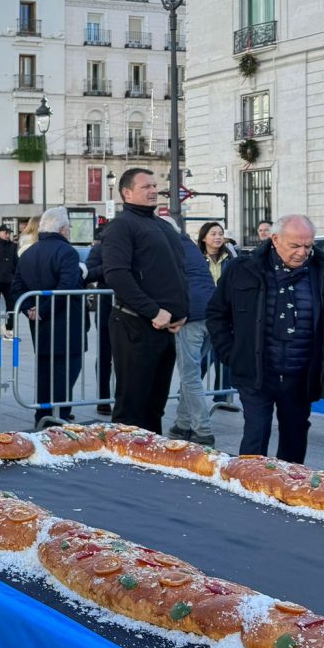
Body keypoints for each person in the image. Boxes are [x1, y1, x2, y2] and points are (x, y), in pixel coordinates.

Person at [207, 215, 324, 464]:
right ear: (275, 239)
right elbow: (217, 314)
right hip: (256, 371)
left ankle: (290, 491)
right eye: (295, 246)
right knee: (255, 433)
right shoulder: (243, 269)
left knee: (294, 438)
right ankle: (247, 485)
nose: (303, 253)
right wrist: (231, 354)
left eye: (308, 246)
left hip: (301, 374)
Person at [99, 168, 189, 433]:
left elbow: (179, 270)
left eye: (154, 186)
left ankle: (152, 462)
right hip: (134, 326)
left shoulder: (162, 226)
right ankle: (124, 469)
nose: (153, 191)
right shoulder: (121, 226)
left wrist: (181, 312)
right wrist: (153, 311)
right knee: (132, 407)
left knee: (155, 405)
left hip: (165, 329)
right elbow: (116, 275)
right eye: (146, 187)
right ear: (127, 193)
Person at [11, 207, 86, 422]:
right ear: (63, 229)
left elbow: (16, 288)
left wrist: (30, 310)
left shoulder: (28, 252)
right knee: (66, 373)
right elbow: (67, 286)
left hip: (40, 326)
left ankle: (42, 418)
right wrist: (42, 311)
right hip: (66, 324)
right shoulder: (67, 252)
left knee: (45, 373)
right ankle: (58, 420)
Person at [169, 226, 219, 447]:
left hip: (191, 316)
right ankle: (182, 423)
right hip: (211, 314)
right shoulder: (189, 245)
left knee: (190, 376)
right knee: (193, 373)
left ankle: (203, 431)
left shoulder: (169, 246)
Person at [197, 221, 237, 404]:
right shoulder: (197, 258)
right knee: (202, 356)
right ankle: (190, 393)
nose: (218, 237)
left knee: (224, 353)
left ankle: (222, 396)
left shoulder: (230, 258)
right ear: (204, 237)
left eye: (220, 234)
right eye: (213, 234)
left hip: (224, 313)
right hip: (202, 314)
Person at [84, 224, 114, 416]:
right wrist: (112, 268)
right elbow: (89, 271)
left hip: (133, 306)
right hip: (107, 305)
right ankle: (104, 397)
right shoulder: (100, 247)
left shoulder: (134, 245)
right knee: (105, 353)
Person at [0, 224, 19, 316]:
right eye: (5, 233)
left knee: (12, 305)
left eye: (9, 233)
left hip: (9, 280)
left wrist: (15, 277)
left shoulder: (13, 246)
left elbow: (16, 262)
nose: (7, 235)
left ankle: (10, 326)